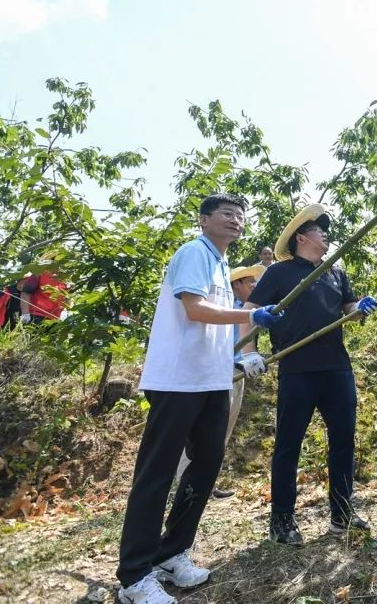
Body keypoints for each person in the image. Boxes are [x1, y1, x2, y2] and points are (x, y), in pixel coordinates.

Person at [115, 194, 282, 604]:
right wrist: (250, 314)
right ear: (205, 220)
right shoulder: (194, 252)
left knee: (205, 466)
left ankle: (171, 552)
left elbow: (216, 327)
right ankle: (134, 576)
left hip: (211, 381)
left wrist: (242, 355)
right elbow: (195, 310)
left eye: (241, 216)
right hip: (177, 382)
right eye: (227, 214)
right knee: (156, 474)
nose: (236, 221)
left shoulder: (221, 265)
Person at [243, 203, 377, 546]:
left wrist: (360, 307)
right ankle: (282, 520)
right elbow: (249, 313)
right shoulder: (279, 273)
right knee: (288, 446)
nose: (326, 236)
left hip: (336, 368)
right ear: (302, 237)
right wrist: (249, 354)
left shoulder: (335, 272)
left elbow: (349, 311)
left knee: (343, 442)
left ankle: (342, 513)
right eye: (320, 231)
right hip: (296, 371)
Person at [173, 264, 265, 500]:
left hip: (237, 373)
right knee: (203, 433)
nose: (254, 286)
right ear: (236, 285)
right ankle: (186, 484)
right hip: (218, 373)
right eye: (249, 282)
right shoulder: (225, 309)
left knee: (223, 432)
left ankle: (207, 484)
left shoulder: (248, 312)